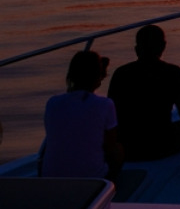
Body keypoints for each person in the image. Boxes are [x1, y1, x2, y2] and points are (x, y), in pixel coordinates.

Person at [108, 25, 180, 160]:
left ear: (137, 49)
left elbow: (112, 115)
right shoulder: (173, 72)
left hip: (128, 147)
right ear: (163, 46)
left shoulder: (121, 73)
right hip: (162, 145)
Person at [41, 50, 122, 179]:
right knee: (118, 150)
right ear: (98, 76)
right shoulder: (105, 105)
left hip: (51, 178)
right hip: (92, 179)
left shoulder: (52, 103)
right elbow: (110, 148)